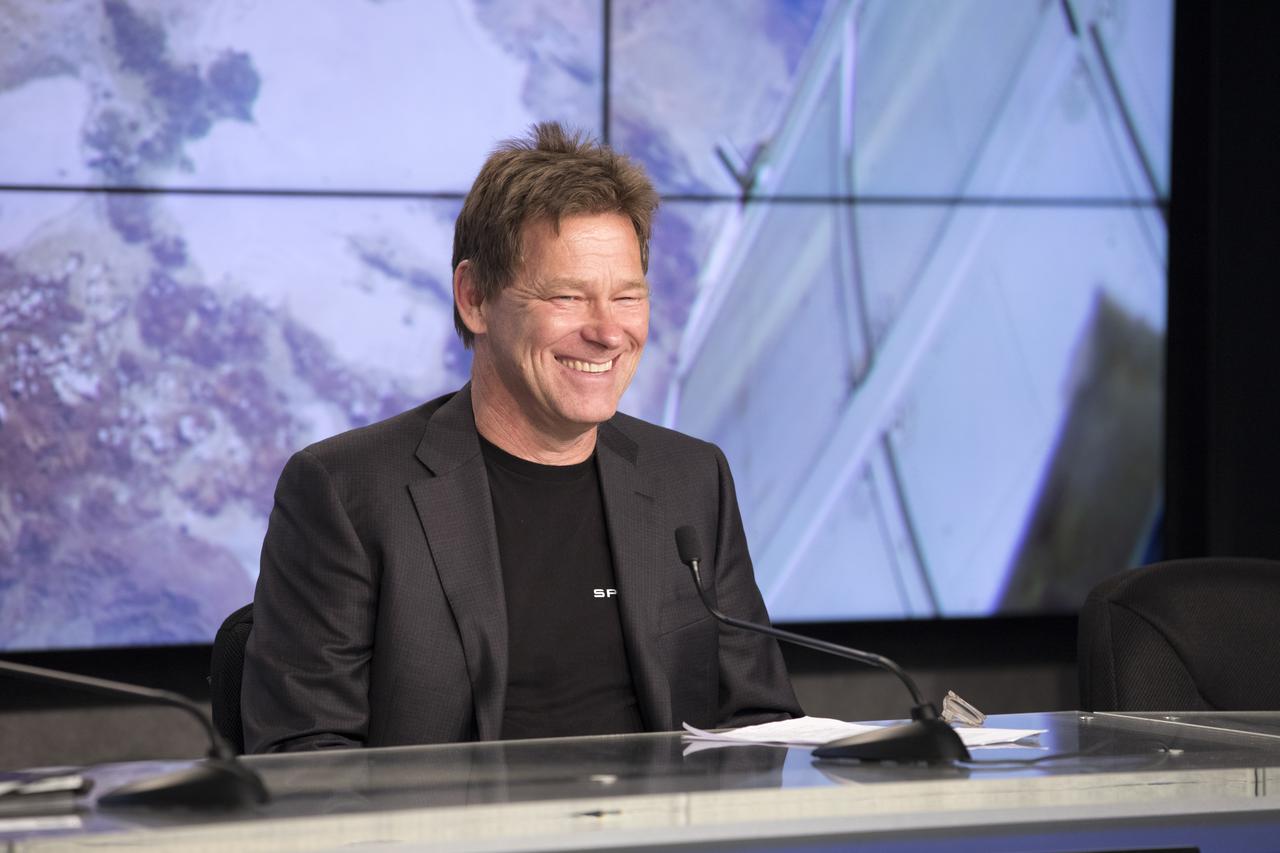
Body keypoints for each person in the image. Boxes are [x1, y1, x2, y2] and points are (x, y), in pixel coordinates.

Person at [241, 123, 800, 752]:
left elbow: (760, 723)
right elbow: (307, 758)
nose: (609, 332)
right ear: (474, 299)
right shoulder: (347, 491)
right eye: (567, 296)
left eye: (627, 297)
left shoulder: (690, 478)